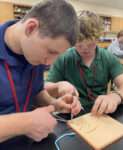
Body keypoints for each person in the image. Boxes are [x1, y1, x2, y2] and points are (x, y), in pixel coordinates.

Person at [0, 0, 82, 143]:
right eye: (50, 51)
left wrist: (54, 104)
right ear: (31, 28)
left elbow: (35, 91)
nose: (49, 63)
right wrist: (25, 123)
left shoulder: (32, 52)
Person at [45, 11, 123, 115]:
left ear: (98, 39)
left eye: (91, 45)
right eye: (79, 45)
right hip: (70, 114)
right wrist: (58, 86)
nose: (85, 50)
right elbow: (45, 88)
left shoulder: (107, 57)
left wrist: (115, 97)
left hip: (99, 114)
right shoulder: (63, 58)